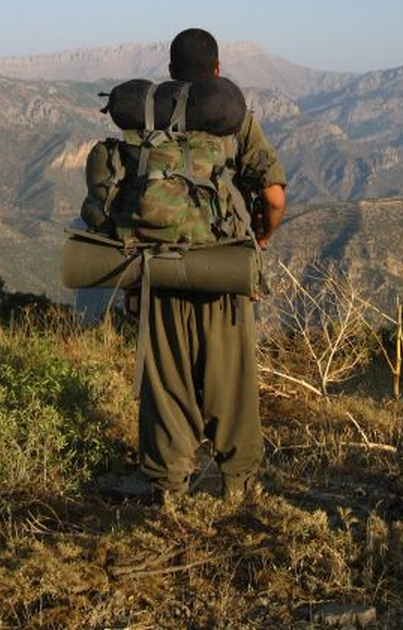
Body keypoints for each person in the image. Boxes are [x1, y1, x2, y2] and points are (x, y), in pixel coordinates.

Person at [136, 28, 287, 503]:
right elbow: (274, 196)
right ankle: (237, 486)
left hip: (158, 270)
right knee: (230, 383)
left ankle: (169, 494)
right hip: (222, 269)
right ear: (218, 71)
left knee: (166, 385)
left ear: (170, 73)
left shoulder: (149, 116)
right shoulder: (232, 115)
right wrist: (260, 238)